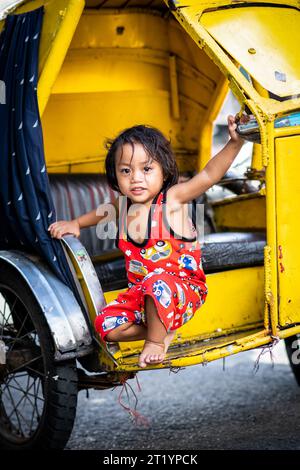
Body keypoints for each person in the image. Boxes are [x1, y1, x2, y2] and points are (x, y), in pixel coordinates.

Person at [48, 114, 248, 368]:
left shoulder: (172, 199)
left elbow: (209, 175)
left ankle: (155, 341)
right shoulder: (123, 206)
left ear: (163, 172)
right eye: (125, 170)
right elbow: (101, 211)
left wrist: (235, 142)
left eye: (146, 168)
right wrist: (76, 223)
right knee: (105, 326)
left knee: (156, 283)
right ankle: (162, 326)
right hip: (141, 298)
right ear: (115, 175)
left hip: (182, 290)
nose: (136, 178)